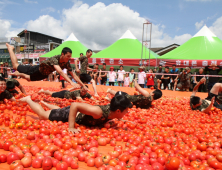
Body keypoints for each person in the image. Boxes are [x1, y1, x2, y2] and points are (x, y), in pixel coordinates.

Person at [19, 92, 132, 133]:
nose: (127, 112)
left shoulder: (113, 110)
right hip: (71, 114)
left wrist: (120, 118)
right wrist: (71, 127)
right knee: (43, 116)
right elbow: (74, 105)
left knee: (58, 110)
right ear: (118, 111)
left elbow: (114, 111)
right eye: (126, 110)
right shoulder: (98, 112)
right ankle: (29, 99)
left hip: (77, 113)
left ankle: (45, 103)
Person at [6, 43, 84, 89]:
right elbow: (60, 71)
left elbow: (73, 75)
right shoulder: (55, 58)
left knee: (28, 79)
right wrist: (71, 82)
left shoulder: (67, 63)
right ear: (62, 54)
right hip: (37, 69)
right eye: (68, 56)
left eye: (70, 56)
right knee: (15, 66)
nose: (69, 58)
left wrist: (83, 85)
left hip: (44, 75)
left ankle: (18, 74)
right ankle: (10, 49)